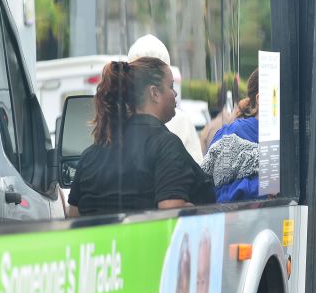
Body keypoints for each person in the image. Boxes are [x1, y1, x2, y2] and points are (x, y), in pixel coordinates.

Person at [67, 57, 214, 216]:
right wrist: (194, 209)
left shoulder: (90, 155)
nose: (175, 93)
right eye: (171, 86)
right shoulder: (166, 145)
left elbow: (73, 216)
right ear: (154, 93)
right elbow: (171, 211)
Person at [127, 33, 204, 164]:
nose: (174, 93)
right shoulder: (180, 123)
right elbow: (197, 173)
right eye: (171, 86)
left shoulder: (113, 120)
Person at [201, 69, 263, 203]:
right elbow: (212, 191)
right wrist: (260, 187)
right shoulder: (233, 133)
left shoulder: (290, 136)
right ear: (260, 99)